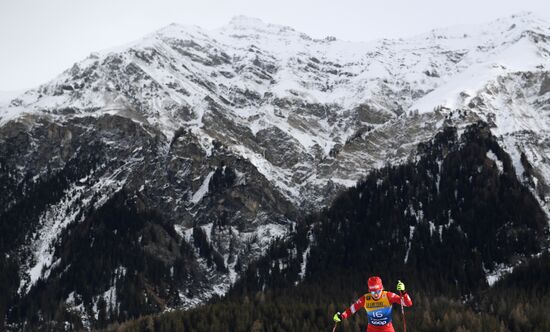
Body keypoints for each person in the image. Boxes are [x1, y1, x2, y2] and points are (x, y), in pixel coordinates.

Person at [333, 276, 412, 332]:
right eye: (373, 292)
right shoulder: (365, 299)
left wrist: (403, 292)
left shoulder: (388, 296)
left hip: (387, 329)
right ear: (369, 291)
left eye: (378, 291)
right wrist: (341, 316)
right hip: (372, 329)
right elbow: (352, 309)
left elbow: (408, 303)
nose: (376, 294)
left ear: (382, 288)